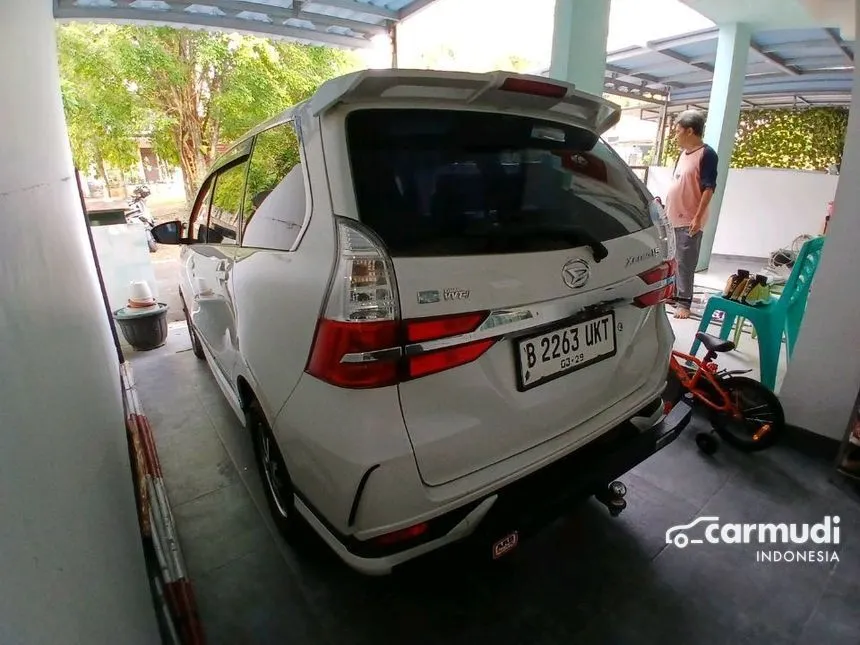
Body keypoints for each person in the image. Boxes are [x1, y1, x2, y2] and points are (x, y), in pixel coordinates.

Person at [664, 110, 719, 319]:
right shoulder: (683, 154)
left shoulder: (707, 154)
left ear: (689, 131)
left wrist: (697, 217)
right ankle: (673, 294)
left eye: (678, 131)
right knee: (673, 259)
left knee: (686, 261)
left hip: (689, 219)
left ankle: (684, 303)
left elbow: (708, 187)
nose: (675, 135)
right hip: (672, 217)